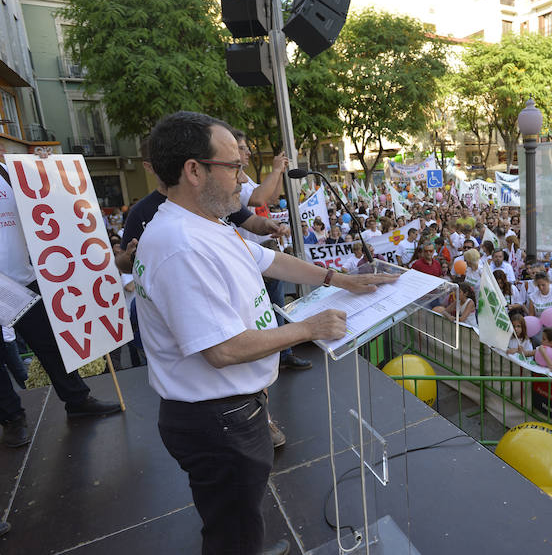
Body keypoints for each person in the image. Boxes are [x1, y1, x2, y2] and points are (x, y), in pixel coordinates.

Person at [134, 111, 396, 555]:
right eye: (234, 166)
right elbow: (221, 349)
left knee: (239, 514)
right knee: (231, 530)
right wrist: (306, 328)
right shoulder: (180, 245)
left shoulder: (207, 224)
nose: (245, 178)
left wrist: (338, 279)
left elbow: (268, 261)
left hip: (232, 412)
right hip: (218, 421)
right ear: (194, 171)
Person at [0, 157, 123, 450]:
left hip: (21, 280)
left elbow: (44, 202)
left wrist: (45, 169)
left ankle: (77, 400)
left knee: (50, 344)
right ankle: (12, 419)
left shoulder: (7, 172)